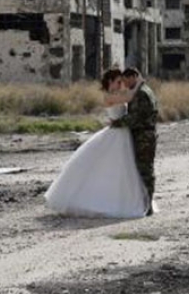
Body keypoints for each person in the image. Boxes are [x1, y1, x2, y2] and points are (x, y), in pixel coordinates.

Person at [44, 68, 150, 219]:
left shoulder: (117, 94)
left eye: (121, 81)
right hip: (116, 134)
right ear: (110, 82)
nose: (121, 84)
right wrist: (139, 83)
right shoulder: (108, 96)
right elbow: (130, 97)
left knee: (122, 169)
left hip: (122, 134)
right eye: (118, 82)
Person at [111, 68, 158, 216]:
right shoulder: (144, 90)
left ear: (133, 77)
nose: (125, 84)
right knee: (143, 170)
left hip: (143, 136)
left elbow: (135, 118)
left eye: (126, 80)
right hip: (144, 135)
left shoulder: (142, 94)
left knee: (144, 170)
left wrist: (116, 123)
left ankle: (147, 204)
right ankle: (145, 203)